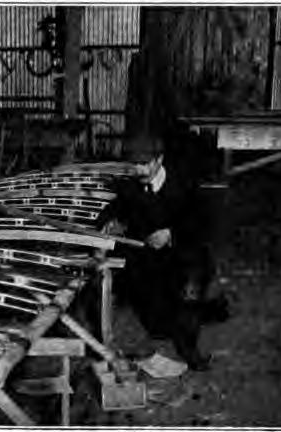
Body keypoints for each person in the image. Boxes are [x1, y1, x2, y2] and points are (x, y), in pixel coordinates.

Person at [96, 133, 228, 370]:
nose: (140, 169)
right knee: (159, 327)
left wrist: (171, 234)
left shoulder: (184, 183)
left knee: (188, 295)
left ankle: (190, 350)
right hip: (148, 259)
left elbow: (204, 224)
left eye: (145, 163)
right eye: (135, 164)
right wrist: (108, 221)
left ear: (159, 160)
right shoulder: (129, 186)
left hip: (186, 254)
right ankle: (206, 311)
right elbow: (115, 208)